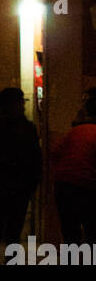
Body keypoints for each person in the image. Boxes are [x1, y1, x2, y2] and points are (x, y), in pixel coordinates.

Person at [0, 87, 42, 264]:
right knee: (14, 233)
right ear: (14, 104)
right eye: (21, 102)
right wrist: (31, 185)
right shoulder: (27, 129)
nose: (23, 107)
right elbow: (35, 159)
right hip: (18, 189)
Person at [52, 87, 96, 244]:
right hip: (88, 186)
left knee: (70, 231)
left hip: (64, 185)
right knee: (92, 230)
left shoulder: (75, 131)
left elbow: (55, 152)